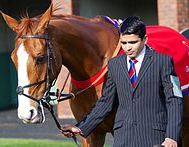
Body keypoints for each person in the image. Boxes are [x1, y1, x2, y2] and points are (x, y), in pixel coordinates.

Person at [61, 16, 183, 147]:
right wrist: (80, 128)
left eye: (133, 42)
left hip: (156, 139)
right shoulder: (114, 65)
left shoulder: (164, 62)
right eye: (124, 43)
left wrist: (172, 136)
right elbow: (105, 103)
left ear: (145, 40)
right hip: (123, 139)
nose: (128, 48)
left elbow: (174, 100)